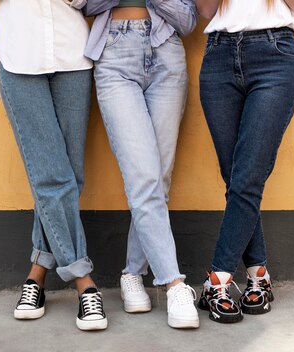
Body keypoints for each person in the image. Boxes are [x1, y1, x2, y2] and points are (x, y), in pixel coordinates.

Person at [81, 0, 200, 328]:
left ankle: (132, 273)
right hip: (115, 57)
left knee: (157, 179)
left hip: (167, 54)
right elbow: (86, 5)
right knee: (143, 177)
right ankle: (174, 283)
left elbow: (189, 19)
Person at [0, 0, 107, 331]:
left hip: (72, 53)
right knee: (51, 177)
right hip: (19, 53)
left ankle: (37, 272)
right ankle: (83, 279)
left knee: (69, 175)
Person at [195, 0, 294, 323]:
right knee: (237, 177)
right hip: (219, 56)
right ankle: (258, 273)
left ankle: (217, 279)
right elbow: (205, 10)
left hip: (275, 55)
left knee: (248, 177)